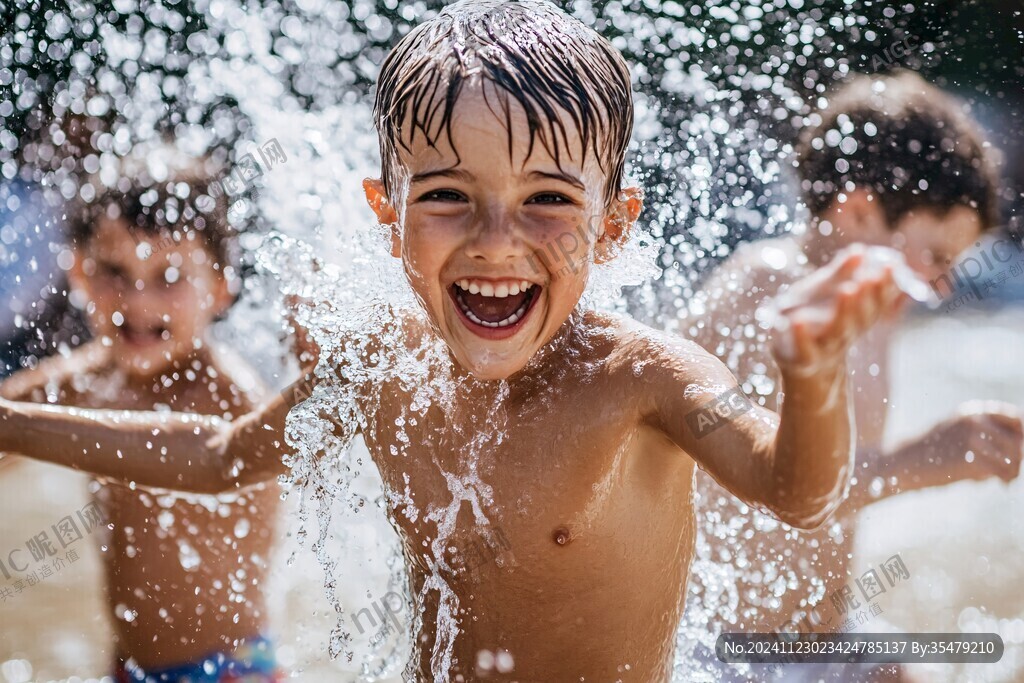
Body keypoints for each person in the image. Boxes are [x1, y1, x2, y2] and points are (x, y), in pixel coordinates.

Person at [0, 3, 908, 679]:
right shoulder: (380, 366)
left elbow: (797, 492)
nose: (494, 240)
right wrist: (11, 421)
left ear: (614, 226)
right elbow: (222, 454)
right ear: (387, 216)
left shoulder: (642, 378)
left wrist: (812, 374)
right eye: (446, 196)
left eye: (548, 199)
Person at [684, 71, 1024, 682]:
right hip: (726, 649)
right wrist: (929, 455)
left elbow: (842, 475)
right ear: (860, 212)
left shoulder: (877, 310)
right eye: (936, 258)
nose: (941, 287)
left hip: (824, 637)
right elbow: (772, 490)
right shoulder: (764, 295)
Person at [0, 147, 284, 681]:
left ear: (221, 288)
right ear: (79, 274)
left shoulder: (228, 398)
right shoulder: (89, 377)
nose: (137, 299)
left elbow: (205, 455)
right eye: (113, 270)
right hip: (128, 669)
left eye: (169, 276)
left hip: (229, 672)